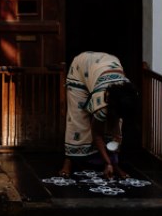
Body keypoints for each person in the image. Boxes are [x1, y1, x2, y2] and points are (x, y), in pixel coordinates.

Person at [59, 51, 138, 180]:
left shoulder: (129, 95)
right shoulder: (102, 102)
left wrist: (113, 162)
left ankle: (114, 163)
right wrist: (107, 163)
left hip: (106, 63)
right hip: (80, 69)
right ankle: (68, 160)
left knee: (116, 126)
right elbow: (97, 134)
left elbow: (116, 132)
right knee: (77, 119)